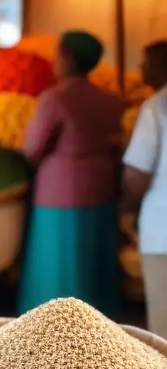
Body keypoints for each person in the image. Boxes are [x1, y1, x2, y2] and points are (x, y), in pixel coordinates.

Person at [19, 30, 124, 317]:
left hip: (60, 192)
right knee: (93, 261)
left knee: (58, 264)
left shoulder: (55, 98)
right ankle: (98, 327)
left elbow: (33, 148)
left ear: (67, 57)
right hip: (101, 187)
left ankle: (51, 326)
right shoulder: (111, 101)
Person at [123, 41, 167, 337]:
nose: (141, 70)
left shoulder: (157, 106)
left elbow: (137, 174)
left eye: (146, 62)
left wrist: (126, 207)